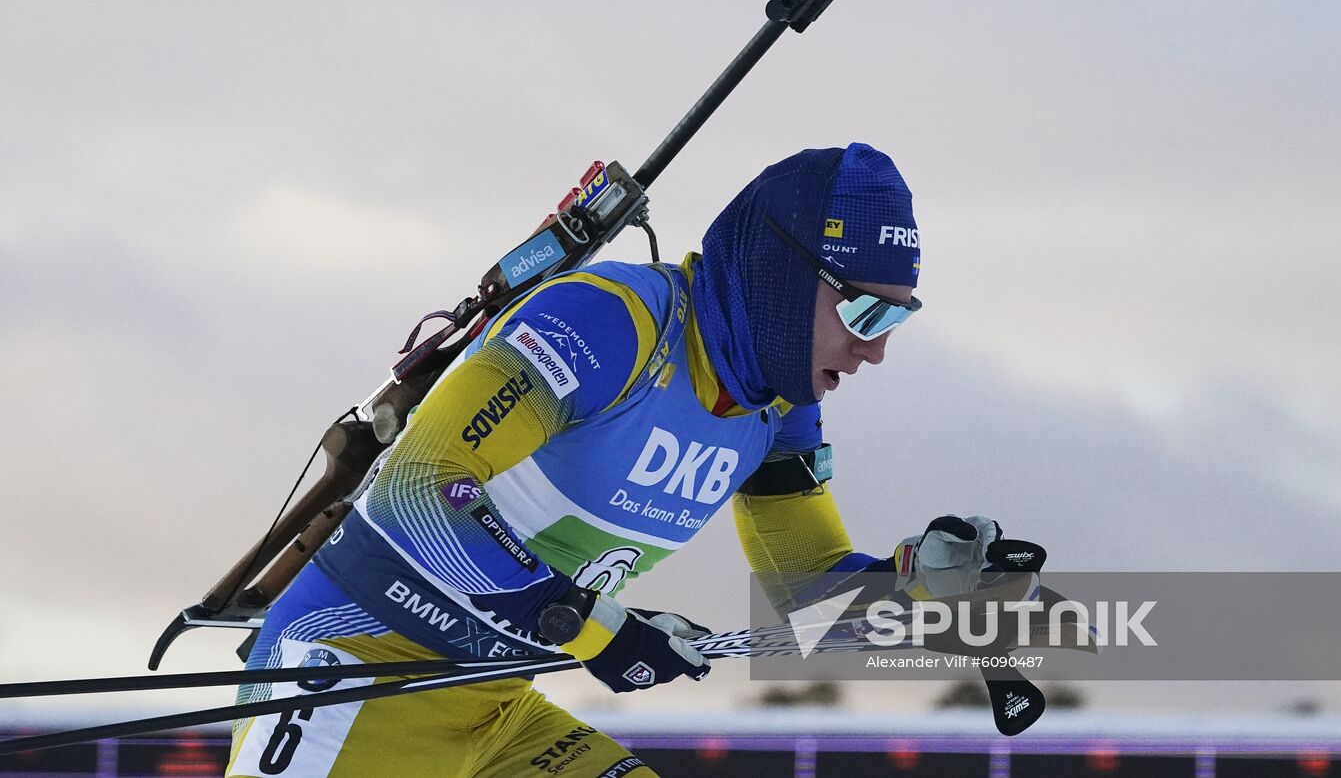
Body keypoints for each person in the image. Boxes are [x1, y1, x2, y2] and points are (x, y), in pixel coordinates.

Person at [226, 143, 1004, 778]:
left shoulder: (778, 407)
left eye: (896, 319)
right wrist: (600, 630)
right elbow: (418, 494)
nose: (876, 348)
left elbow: (814, 599)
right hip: (353, 675)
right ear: (787, 272)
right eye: (865, 309)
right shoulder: (611, 322)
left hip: (491, 708)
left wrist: (924, 584)